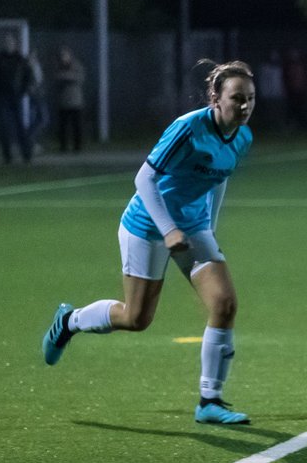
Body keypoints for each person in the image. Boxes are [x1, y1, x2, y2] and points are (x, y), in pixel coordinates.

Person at [41, 61, 257, 425]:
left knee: (224, 303)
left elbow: (218, 179)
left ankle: (210, 400)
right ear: (216, 99)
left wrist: (209, 228)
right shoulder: (188, 128)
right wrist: (169, 229)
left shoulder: (242, 136)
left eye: (251, 99)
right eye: (237, 98)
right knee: (136, 318)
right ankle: (69, 321)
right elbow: (145, 179)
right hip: (146, 225)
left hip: (193, 225)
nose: (246, 106)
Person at [0, 33, 35, 164]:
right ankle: (7, 156)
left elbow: (28, 75)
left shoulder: (20, 59)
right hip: (2, 98)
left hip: (16, 97)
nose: (8, 44)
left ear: (15, 43)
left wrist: (23, 91)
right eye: (6, 42)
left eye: (11, 42)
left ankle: (26, 154)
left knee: (20, 126)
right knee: (4, 127)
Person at [55, 45, 86, 152]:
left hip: (75, 101)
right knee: (63, 127)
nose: (64, 57)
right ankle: (63, 146)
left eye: (66, 55)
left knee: (76, 126)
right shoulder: (59, 66)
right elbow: (57, 77)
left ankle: (77, 147)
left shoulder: (76, 66)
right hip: (63, 102)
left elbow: (79, 78)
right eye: (62, 55)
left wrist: (67, 76)